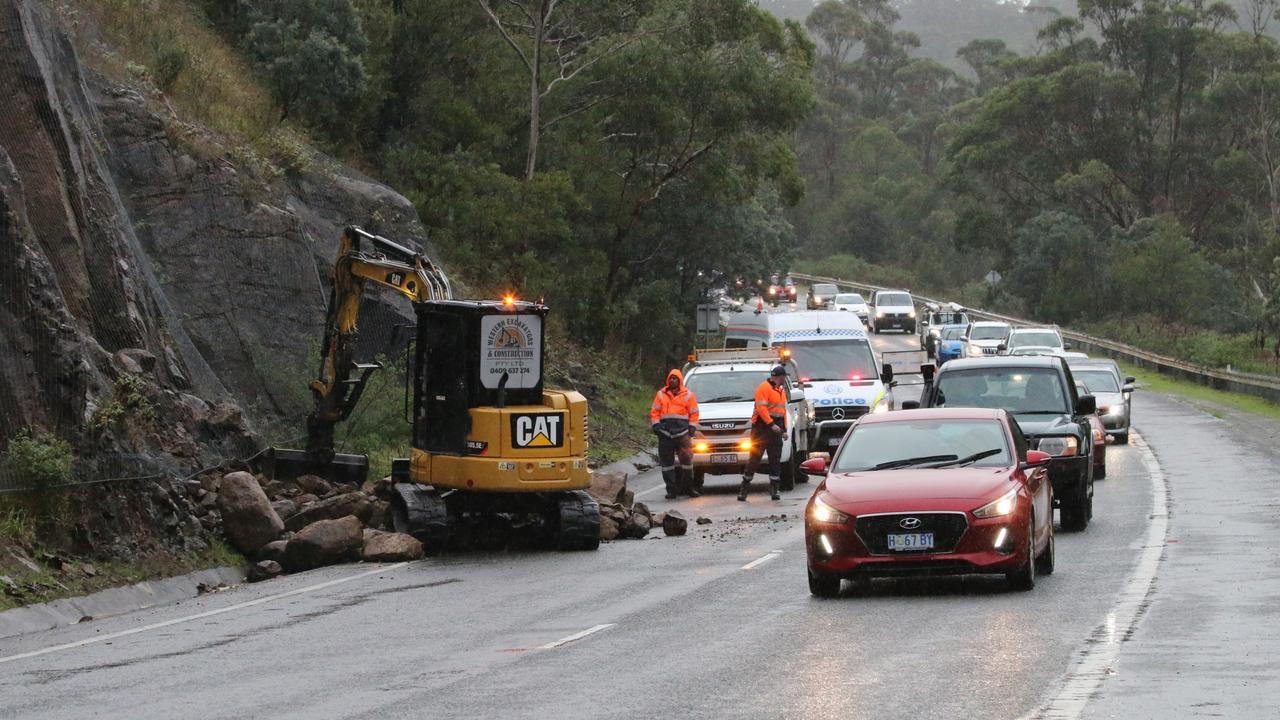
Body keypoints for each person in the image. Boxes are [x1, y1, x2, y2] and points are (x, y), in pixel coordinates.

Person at [739, 365, 788, 501]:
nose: (785, 379)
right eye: (784, 377)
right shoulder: (763, 388)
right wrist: (771, 425)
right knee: (754, 459)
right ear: (780, 377)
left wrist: (784, 430)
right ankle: (744, 489)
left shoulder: (781, 391)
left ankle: (774, 490)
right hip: (761, 429)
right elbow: (761, 409)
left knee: (775, 460)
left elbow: (782, 412)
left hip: (776, 429)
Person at [650, 368, 700, 499]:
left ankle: (688, 488)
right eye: (670, 378)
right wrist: (656, 425)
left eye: (675, 378)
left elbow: (694, 413)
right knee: (667, 464)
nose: (672, 380)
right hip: (665, 433)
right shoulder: (660, 394)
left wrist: (692, 427)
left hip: (682, 433)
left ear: (679, 380)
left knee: (687, 462)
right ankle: (671, 490)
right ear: (668, 380)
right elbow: (654, 412)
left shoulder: (688, 395)